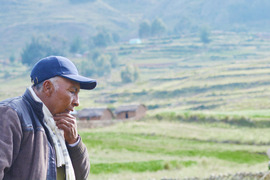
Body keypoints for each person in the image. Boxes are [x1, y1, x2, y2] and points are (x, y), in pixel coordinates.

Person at [0, 56, 97, 180]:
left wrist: (74, 142)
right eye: (72, 91)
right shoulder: (9, 114)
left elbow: (81, 176)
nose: (77, 102)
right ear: (48, 87)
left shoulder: (57, 123)